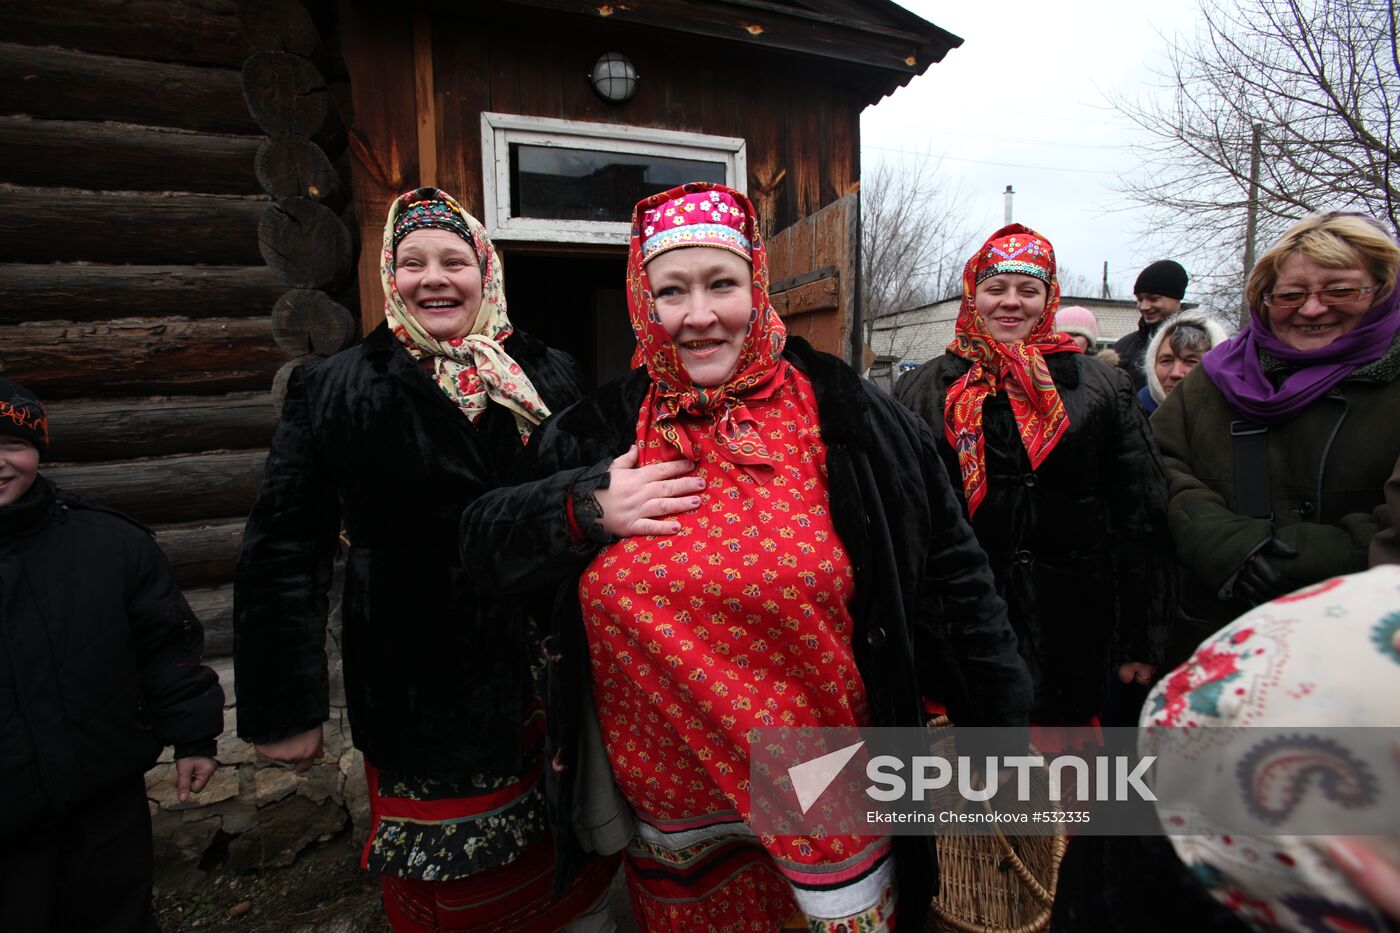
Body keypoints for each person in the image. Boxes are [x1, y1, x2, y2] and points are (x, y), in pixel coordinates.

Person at [461, 183, 1032, 932]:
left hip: (828, 788)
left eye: (721, 284)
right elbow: (479, 545)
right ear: (643, 299)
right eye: (672, 290)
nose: (698, 315)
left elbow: (955, 578)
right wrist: (586, 507)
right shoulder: (596, 431)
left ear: (756, 286)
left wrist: (1001, 732)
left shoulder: (850, 413)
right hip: (673, 808)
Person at [232, 188, 617, 931]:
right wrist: (286, 707)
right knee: (459, 903)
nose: (434, 278)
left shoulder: (550, 372)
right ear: (389, 275)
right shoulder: (336, 386)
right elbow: (283, 545)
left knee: (571, 882)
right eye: (413, 262)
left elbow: (601, 505)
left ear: (486, 269)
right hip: (419, 678)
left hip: (549, 674)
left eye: (453, 260)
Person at [895, 224, 1176, 737]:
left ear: (1048, 298)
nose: (1011, 303)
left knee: (1059, 795)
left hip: (1070, 624)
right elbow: (897, 517)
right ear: (972, 293)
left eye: (1029, 290)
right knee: (966, 792)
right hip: (955, 627)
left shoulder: (1100, 386)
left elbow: (1140, 512)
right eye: (996, 289)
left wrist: (1141, 637)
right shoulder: (922, 386)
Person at [0, 378, 223, 932]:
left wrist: (194, 736)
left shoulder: (108, 544)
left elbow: (165, 646)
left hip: (104, 801)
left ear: (39, 449)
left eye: (11, 444)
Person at [1151, 211, 1400, 652]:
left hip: (1367, 641)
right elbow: (1158, 464)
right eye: (1289, 295)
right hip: (1220, 631)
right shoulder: (1216, 376)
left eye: (1341, 290)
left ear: (1383, 290)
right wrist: (1230, 545)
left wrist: (1313, 555)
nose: (1312, 308)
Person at [1115, 259, 1189, 391]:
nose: (1144, 306)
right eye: (1139, 299)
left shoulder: (1201, 345)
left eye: (1153, 299)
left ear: (1177, 298)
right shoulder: (1123, 346)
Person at [1138, 310, 1230, 415]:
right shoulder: (1132, 415)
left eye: (1191, 361)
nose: (1176, 373)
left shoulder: (1238, 415)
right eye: (1166, 360)